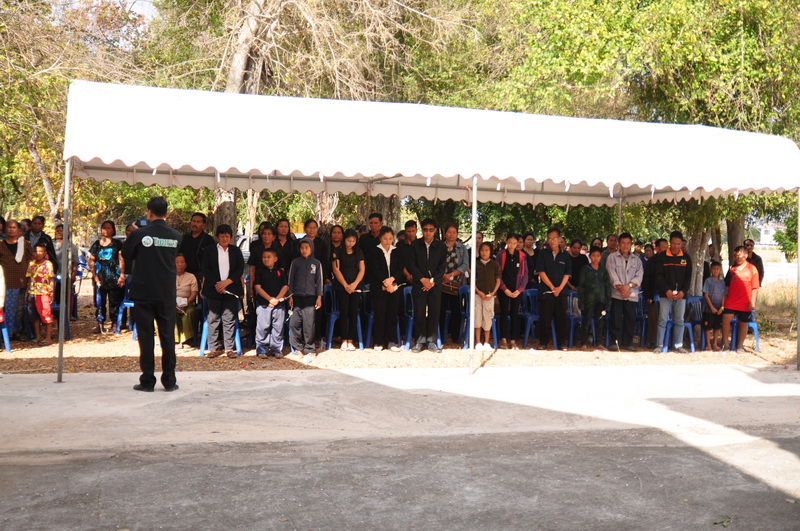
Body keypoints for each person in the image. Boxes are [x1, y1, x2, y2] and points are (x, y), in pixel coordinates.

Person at [122, 197, 181, 392]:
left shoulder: (139, 234)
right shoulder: (176, 236)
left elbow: (127, 254)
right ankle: (170, 381)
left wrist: (135, 237)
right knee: (168, 337)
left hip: (144, 292)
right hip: (166, 293)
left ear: (149, 212)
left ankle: (147, 381)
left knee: (146, 337)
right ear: (167, 213)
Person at [201, 224, 245, 358]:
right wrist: (218, 284)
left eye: (227, 236)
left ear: (230, 237)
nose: (224, 239)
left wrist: (227, 282)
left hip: (231, 289)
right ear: (217, 237)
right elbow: (205, 269)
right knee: (213, 318)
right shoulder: (209, 250)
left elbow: (239, 269)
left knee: (229, 318)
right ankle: (213, 348)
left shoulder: (235, 251)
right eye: (222, 236)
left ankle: (229, 348)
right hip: (213, 289)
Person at [407, 218, 447, 353]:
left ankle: (431, 341)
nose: (428, 232)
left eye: (431, 230)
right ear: (422, 230)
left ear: (435, 230)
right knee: (419, 312)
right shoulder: (415, 245)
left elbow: (442, 266)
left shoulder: (441, 246)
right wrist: (422, 279)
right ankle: (419, 340)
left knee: (434, 312)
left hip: (434, 285)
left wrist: (432, 281)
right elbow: (411, 264)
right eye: (425, 230)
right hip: (419, 284)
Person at [653, 231, 692, 354]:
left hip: (681, 296)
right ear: (670, 242)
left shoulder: (686, 258)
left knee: (679, 320)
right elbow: (658, 276)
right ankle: (659, 345)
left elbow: (688, 277)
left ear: (682, 244)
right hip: (665, 295)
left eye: (678, 244)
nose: (676, 246)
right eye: (674, 243)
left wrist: (683, 292)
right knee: (662, 320)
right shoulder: (662, 257)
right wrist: (667, 290)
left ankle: (678, 345)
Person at [606, 232, 643, 352]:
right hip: (617, 294)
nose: (625, 245)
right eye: (623, 243)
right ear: (618, 244)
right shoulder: (612, 257)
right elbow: (611, 274)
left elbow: (639, 275)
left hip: (631, 294)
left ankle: (628, 343)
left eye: (628, 243)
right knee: (616, 318)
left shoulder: (637, 260)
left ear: (631, 244)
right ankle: (615, 342)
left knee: (630, 318)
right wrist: (621, 288)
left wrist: (629, 286)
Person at [368, 226, 404, 352]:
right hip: (379, 288)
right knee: (380, 315)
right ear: (380, 238)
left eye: (390, 238)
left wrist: (392, 280)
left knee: (392, 315)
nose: (388, 241)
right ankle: (378, 341)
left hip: (394, 288)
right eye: (385, 238)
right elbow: (374, 270)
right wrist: (386, 282)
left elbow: (400, 268)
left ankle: (392, 341)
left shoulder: (397, 251)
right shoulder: (374, 251)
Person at [536, 227, 571, 350]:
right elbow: (541, 272)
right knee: (545, 318)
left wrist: (559, 288)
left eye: (554, 238)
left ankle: (562, 343)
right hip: (546, 291)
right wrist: (552, 287)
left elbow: (567, 274)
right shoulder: (542, 254)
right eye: (549, 239)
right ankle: (543, 342)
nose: (551, 241)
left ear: (559, 239)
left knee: (561, 318)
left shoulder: (565, 255)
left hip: (561, 292)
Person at [288, 238, 324, 355]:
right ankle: (297, 347)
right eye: (302, 248)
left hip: (310, 298)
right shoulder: (295, 262)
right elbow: (290, 280)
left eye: (307, 248)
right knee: (295, 323)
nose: (304, 250)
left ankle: (309, 348)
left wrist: (319, 296)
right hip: (297, 297)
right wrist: (290, 296)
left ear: (311, 248)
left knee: (309, 324)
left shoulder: (317, 263)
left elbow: (319, 281)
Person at [331, 229, 365, 351]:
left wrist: (354, 284)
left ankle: (351, 339)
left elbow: (362, 270)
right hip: (342, 286)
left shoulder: (359, 252)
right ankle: (343, 339)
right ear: (344, 240)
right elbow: (336, 270)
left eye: (353, 241)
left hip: (355, 287)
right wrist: (345, 285)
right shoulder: (338, 251)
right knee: (344, 311)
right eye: (348, 240)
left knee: (353, 312)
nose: (351, 243)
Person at [722, 246, 760, 352]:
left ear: (746, 255)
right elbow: (726, 286)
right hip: (731, 301)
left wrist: (752, 302)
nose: (737, 257)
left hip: (745, 301)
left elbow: (755, 287)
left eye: (739, 255)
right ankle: (725, 344)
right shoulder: (732, 269)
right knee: (725, 319)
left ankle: (740, 346)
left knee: (743, 323)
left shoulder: (752, 269)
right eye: (735, 256)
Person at [0, 220, 33, 339]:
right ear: (5, 229)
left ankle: (17, 331)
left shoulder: (24, 243)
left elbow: (30, 260)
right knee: (8, 308)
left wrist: (30, 278)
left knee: (19, 308)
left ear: (19, 230)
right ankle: (7, 334)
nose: (11, 229)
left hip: (23, 281)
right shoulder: (1, 244)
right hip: (7, 282)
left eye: (14, 227)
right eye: (9, 227)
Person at [253, 248, 288, 358]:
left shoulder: (280, 272)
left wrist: (276, 299)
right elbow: (257, 287)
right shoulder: (259, 272)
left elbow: (285, 286)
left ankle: (276, 349)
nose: (266, 259)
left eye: (269, 257)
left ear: (275, 259)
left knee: (278, 327)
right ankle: (262, 349)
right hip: (264, 304)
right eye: (264, 257)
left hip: (279, 305)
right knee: (262, 327)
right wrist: (270, 299)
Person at [496, 234, 527, 349]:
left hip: (517, 289)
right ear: (506, 242)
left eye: (514, 243)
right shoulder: (501, 255)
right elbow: (497, 273)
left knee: (515, 314)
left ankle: (513, 340)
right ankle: (503, 339)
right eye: (510, 243)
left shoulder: (522, 256)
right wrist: (504, 289)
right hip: (504, 288)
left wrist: (520, 290)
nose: (512, 245)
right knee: (504, 313)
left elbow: (525, 275)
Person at [439, 223, 468, 344]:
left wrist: (451, 275)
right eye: (449, 232)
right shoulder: (439, 246)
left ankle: (456, 336)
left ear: (457, 234)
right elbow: (435, 263)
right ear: (445, 233)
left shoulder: (462, 248)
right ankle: (440, 336)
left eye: (454, 232)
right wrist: (443, 276)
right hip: (441, 283)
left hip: (457, 284)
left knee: (457, 311)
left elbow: (465, 265)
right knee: (441, 310)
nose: (451, 234)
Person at [577, 246, 611, 351]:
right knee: (586, 321)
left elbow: (607, 286)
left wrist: (607, 301)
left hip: (600, 300)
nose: (596, 258)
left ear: (601, 257)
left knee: (599, 322)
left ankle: (598, 343)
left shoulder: (603, 270)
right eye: (593, 256)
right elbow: (581, 286)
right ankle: (584, 343)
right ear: (590, 256)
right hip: (588, 300)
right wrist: (581, 301)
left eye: (598, 256)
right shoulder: (585, 269)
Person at [25, 242, 55, 345]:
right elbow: (29, 279)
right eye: (36, 251)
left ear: (45, 253)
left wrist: (51, 292)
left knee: (46, 313)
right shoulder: (31, 264)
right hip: (32, 292)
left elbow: (51, 279)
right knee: (34, 315)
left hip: (44, 293)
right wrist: (27, 293)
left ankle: (48, 337)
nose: (38, 253)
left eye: (41, 251)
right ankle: (38, 336)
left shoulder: (48, 264)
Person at [474, 241, 501, 351]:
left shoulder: (495, 265)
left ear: (490, 251)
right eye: (482, 250)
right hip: (477, 295)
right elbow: (472, 281)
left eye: (486, 250)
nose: (484, 252)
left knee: (487, 317)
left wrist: (493, 293)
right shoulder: (475, 264)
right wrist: (478, 291)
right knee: (477, 317)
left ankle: (486, 342)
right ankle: (477, 341)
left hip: (490, 296)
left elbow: (498, 281)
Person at [177, 212, 215, 286]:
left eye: (198, 222)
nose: (195, 224)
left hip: (201, 275)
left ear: (203, 225)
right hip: (186, 274)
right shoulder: (185, 238)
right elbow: (180, 254)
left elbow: (212, 259)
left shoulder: (208, 240)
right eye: (193, 221)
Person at [642, 238, 667, 348]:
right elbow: (646, 279)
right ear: (656, 248)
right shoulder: (651, 261)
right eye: (663, 247)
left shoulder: (671, 260)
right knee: (653, 319)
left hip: (667, 295)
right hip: (653, 295)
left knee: (665, 319)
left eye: (666, 246)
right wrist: (648, 295)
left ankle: (666, 341)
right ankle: (653, 342)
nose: (665, 249)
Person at [54, 223, 80, 320]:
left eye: (62, 231)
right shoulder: (53, 245)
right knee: (55, 295)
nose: (59, 232)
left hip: (66, 275)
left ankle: (66, 315)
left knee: (65, 296)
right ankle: (56, 315)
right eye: (58, 231)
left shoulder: (71, 246)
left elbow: (75, 262)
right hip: (54, 275)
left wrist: (73, 274)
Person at [174, 254, 198, 349]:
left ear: (185, 264)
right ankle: (175, 340)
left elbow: (193, 293)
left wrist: (185, 304)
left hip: (188, 302)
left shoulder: (191, 276)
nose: (180, 264)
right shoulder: (168, 276)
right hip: (172, 303)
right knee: (170, 313)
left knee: (189, 313)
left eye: (182, 262)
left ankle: (186, 340)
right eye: (177, 262)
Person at [702, 260, 725, 351]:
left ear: (720, 270)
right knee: (708, 327)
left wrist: (722, 307)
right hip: (709, 309)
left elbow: (724, 295)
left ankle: (715, 344)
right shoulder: (708, 281)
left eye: (717, 269)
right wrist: (711, 307)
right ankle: (708, 344)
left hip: (719, 309)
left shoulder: (722, 282)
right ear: (711, 270)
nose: (716, 271)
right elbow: (706, 294)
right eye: (714, 269)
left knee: (717, 327)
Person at [396, 220, 418, 284]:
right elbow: (399, 262)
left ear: (416, 230)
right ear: (405, 231)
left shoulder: (420, 244)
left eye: (413, 231)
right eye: (409, 231)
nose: (411, 233)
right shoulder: (400, 245)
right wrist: (408, 275)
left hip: (418, 277)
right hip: (402, 277)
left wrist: (415, 275)